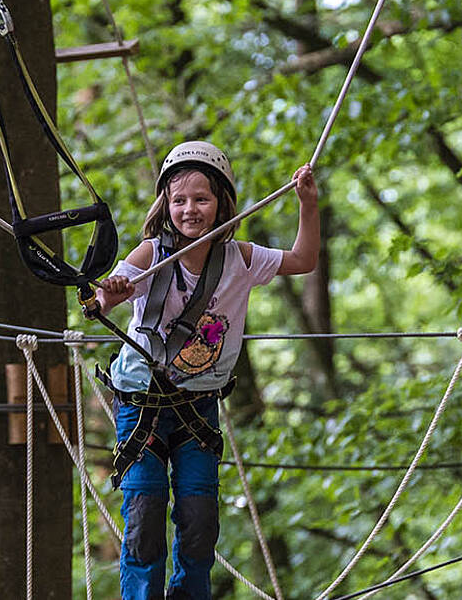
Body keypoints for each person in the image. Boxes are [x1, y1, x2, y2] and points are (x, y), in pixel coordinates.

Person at [91, 140, 320, 600]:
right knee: (146, 518)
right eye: (179, 200)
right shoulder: (151, 255)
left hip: (198, 408)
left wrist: (307, 205)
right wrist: (111, 289)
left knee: (198, 523)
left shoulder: (241, 260)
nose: (190, 209)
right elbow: (105, 298)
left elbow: (303, 260)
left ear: (221, 204)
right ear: (165, 206)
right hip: (143, 407)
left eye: (201, 199)